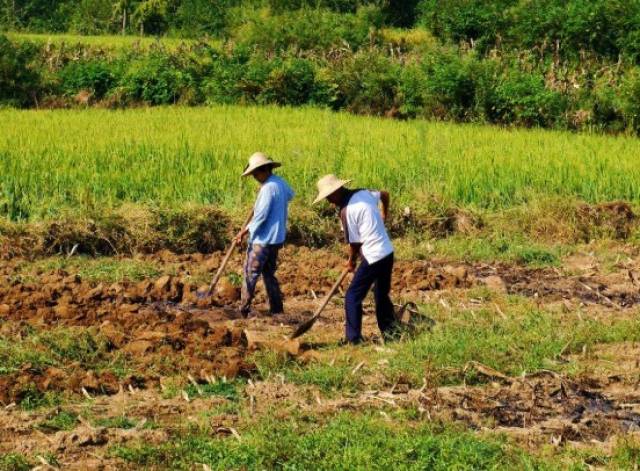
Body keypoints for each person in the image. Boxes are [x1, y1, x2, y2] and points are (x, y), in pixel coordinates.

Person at [313, 174, 398, 344]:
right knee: (381, 295)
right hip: (387, 251)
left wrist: (351, 261)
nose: (330, 201)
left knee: (352, 296)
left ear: (337, 191)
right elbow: (385, 194)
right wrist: (384, 214)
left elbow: (355, 243)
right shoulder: (364, 193)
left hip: (373, 256)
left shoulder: (347, 211)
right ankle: (390, 335)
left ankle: (353, 339)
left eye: (329, 197)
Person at [234, 152, 294, 317]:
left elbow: (260, 216)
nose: (254, 177)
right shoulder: (279, 183)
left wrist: (243, 232)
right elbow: (290, 195)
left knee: (250, 273)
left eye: (255, 174)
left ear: (263, 170)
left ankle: (243, 310)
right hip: (277, 238)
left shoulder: (267, 188)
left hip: (262, 239)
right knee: (269, 274)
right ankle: (277, 309)